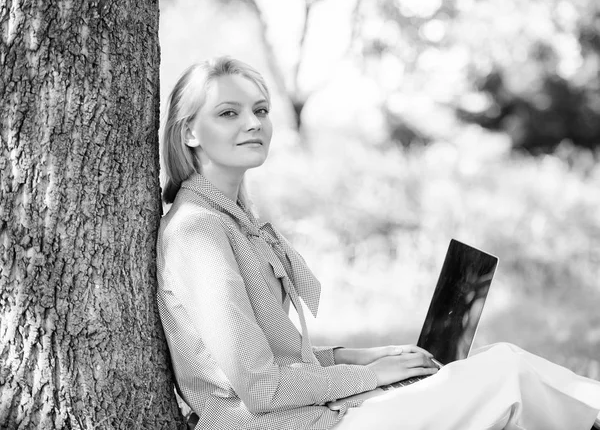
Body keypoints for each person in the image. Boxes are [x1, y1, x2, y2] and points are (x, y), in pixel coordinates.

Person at [156, 55, 600, 430]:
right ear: (189, 132)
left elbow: (274, 357)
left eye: (261, 110)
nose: (253, 123)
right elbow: (259, 387)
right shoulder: (198, 231)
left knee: (496, 358)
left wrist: (360, 355)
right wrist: (370, 374)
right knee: (505, 376)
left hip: (320, 415)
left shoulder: (233, 221)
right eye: (228, 113)